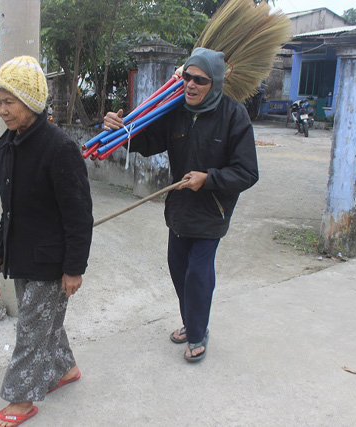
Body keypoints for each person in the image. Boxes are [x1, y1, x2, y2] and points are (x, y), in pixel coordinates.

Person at [104, 47, 258, 363]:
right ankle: (191, 322)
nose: (190, 84)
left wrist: (209, 178)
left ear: (214, 83)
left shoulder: (233, 116)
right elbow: (147, 142)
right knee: (178, 269)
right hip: (179, 209)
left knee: (197, 274)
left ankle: (198, 333)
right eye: (187, 76)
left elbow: (247, 172)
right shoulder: (178, 110)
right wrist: (122, 132)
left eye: (199, 80)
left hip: (212, 209)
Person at [0, 56, 93, 426]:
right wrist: (0, 249)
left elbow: (79, 216)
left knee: (31, 329)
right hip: (22, 256)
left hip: (51, 263)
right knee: (43, 322)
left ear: (30, 101)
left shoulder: (59, 148)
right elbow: (9, 208)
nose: (2, 110)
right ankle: (64, 370)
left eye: (8, 102)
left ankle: (20, 400)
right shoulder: (10, 145)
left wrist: (74, 269)